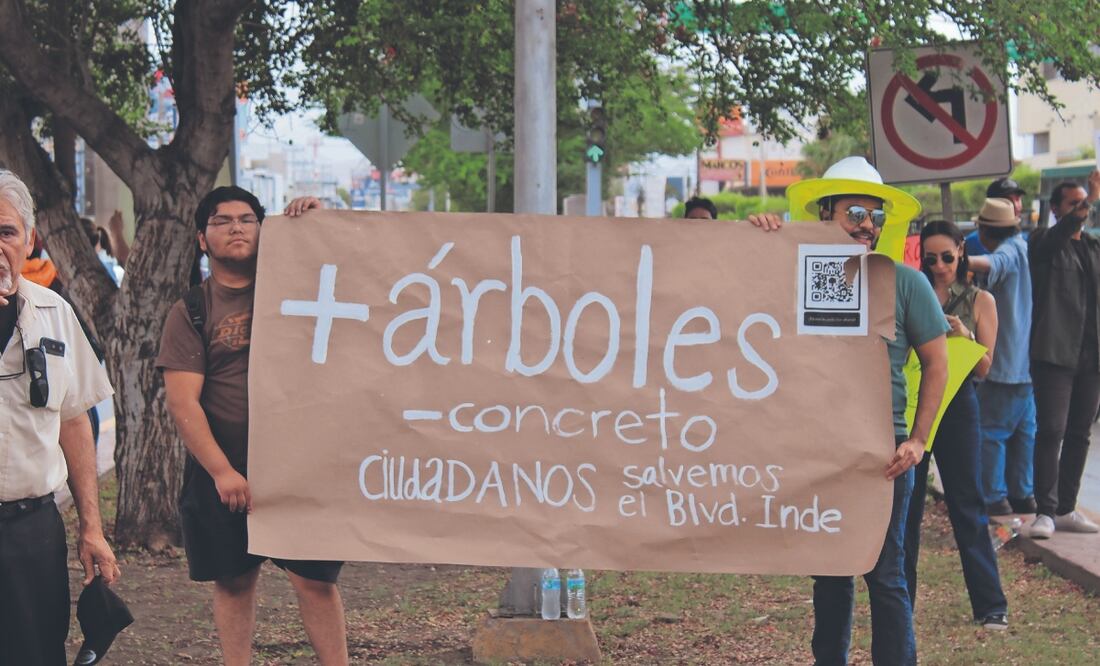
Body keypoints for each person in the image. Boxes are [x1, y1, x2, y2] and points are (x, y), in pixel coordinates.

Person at [749, 156, 949, 665]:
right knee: (832, 572)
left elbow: (937, 364)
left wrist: (918, 441)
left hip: (887, 455)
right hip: (825, 450)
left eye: (876, 216)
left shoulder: (906, 283)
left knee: (886, 575)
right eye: (856, 212)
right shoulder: (795, 275)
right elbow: (741, 299)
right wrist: (758, 239)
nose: (867, 225)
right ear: (824, 213)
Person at [157, 188, 349, 665]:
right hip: (225, 470)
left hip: (298, 465)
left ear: (266, 231)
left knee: (315, 581)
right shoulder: (192, 311)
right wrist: (222, 471)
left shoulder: (296, 291)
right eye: (222, 221)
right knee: (234, 580)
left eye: (247, 219)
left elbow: (351, 276)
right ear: (203, 239)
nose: (237, 227)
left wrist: (319, 225)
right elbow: (184, 402)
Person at [0, 168, 120, 664]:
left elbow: (74, 421)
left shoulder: (54, 311)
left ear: (29, 240)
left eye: (6, 231)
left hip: (30, 529)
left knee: (35, 654)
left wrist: (91, 526)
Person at [902, 219, 1009, 630]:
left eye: (947, 256)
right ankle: (901, 602)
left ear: (962, 250)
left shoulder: (981, 300)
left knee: (968, 504)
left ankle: (990, 605)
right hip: (916, 399)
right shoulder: (914, 290)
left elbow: (985, 368)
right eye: (931, 258)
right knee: (906, 507)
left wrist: (964, 334)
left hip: (959, 403)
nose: (941, 265)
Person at [1026, 172, 1100, 538]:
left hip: (1091, 357)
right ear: (1056, 209)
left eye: (1083, 203)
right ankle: (1046, 511)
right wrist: (1089, 201)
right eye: (1073, 203)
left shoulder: (1093, 247)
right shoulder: (1042, 242)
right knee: (1051, 429)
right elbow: (1049, 243)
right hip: (1053, 352)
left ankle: (1067, 508)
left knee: (1079, 433)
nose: (1081, 210)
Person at [965, 198, 1036, 515]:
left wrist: (959, 259)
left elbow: (994, 264)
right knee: (1024, 431)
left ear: (985, 231)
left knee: (991, 431)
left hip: (1005, 363)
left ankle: (995, 497)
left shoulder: (1008, 250)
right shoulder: (1024, 245)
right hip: (1026, 364)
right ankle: (1022, 493)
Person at [965, 177, 1026, 258]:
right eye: (1007, 201)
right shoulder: (973, 242)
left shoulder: (1025, 240)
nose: (1015, 205)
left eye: (1018, 199)